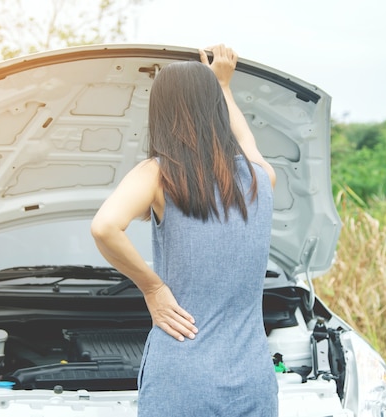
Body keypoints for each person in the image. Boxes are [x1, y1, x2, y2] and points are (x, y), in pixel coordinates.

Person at [90, 45, 278, 416]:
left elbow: (104, 227)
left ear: (161, 112)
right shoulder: (261, 178)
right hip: (252, 379)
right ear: (215, 111)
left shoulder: (159, 173)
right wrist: (223, 86)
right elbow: (247, 142)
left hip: (183, 375)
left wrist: (153, 287)